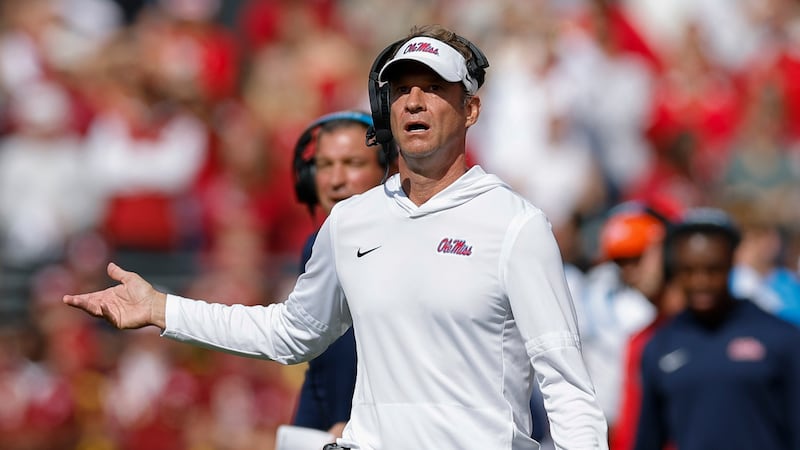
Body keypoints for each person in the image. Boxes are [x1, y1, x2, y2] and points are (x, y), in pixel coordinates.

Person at [63, 24, 608, 449]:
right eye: (400, 90)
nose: (414, 101)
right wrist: (162, 309)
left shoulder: (516, 225)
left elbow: (566, 387)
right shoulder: (350, 222)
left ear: (471, 109)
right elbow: (290, 333)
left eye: (434, 89)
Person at [634, 208, 800, 450]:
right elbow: (648, 439)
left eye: (713, 270)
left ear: (731, 263)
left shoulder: (782, 339)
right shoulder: (659, 347)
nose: (700, 281)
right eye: (689, 271)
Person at [290, 110, 396, 439]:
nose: (336, 180)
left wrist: (351, 421)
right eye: (324, 165)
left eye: (353, 163)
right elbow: (321, 364)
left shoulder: (403, 244)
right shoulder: (316, 246)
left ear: (386, 171)